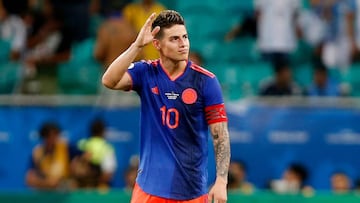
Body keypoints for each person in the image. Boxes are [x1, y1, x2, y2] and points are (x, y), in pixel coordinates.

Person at [102, 10, 231, 203]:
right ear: (157, 44)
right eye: (175, 39)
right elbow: (109, 81)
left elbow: (220, 135)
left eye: (185, 37)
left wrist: (221, 180)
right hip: (148, 189)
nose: (183, 44)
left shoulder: (206, 81)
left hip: (191, 191)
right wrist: (137, 46)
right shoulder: (145, 72)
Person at [25, 122, 75, 190]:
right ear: (44, 138)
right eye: (49, 136)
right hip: (45, 189)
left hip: (64, 187)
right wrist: (46, 183)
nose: (53, 139)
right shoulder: (37, 153)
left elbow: (84, 157)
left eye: (55, 135)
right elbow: (29, 180)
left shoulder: (67, 148)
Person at [70, 118, 117, 189]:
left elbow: (73, 166)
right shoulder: (106, 147)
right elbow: (108, 173)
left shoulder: (82, 144)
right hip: (95, 189)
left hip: (85, 187)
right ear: (103, 132)